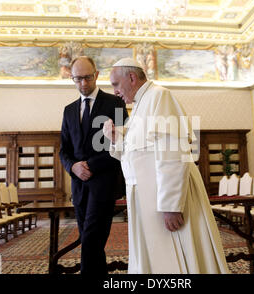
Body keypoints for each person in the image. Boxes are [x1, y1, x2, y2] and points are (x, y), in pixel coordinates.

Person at [103, 57, 229, 274]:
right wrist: (116, 138)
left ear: (131, 77)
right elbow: (138, 152)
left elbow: (173, 150)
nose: (114, 91)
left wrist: (171, 205)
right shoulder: (141, 104)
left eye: (115, 84)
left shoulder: (159, 96)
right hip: (146, 194)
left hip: (167, 197)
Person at [59, 56, 128, 275]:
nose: (83, 84)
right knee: (92, 242)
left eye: (87, 77)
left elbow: (122, 144)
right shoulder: (68, 111)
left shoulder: (116, 103)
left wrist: (89, 165)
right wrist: (73, 167)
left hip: (104, 184)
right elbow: (64, 150)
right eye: (78, 79)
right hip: (79, 186)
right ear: (72, 79)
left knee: (89, 239)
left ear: (96, 74)